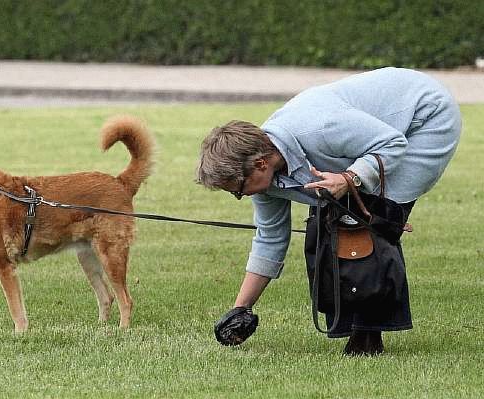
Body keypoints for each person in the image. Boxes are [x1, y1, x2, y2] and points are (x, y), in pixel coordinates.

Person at [196, 67, 461, 355]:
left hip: (426, 117)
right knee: (332, 221)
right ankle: (356, 330)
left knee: (366, 220)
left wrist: (350, 178)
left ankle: (367, 339)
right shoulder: (265, 179)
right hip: (384, 134)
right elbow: (270, 238)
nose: (239, 196)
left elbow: (392, 142)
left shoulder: (319, 127)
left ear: (260, 164)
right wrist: (241, 308)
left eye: (236, 188)